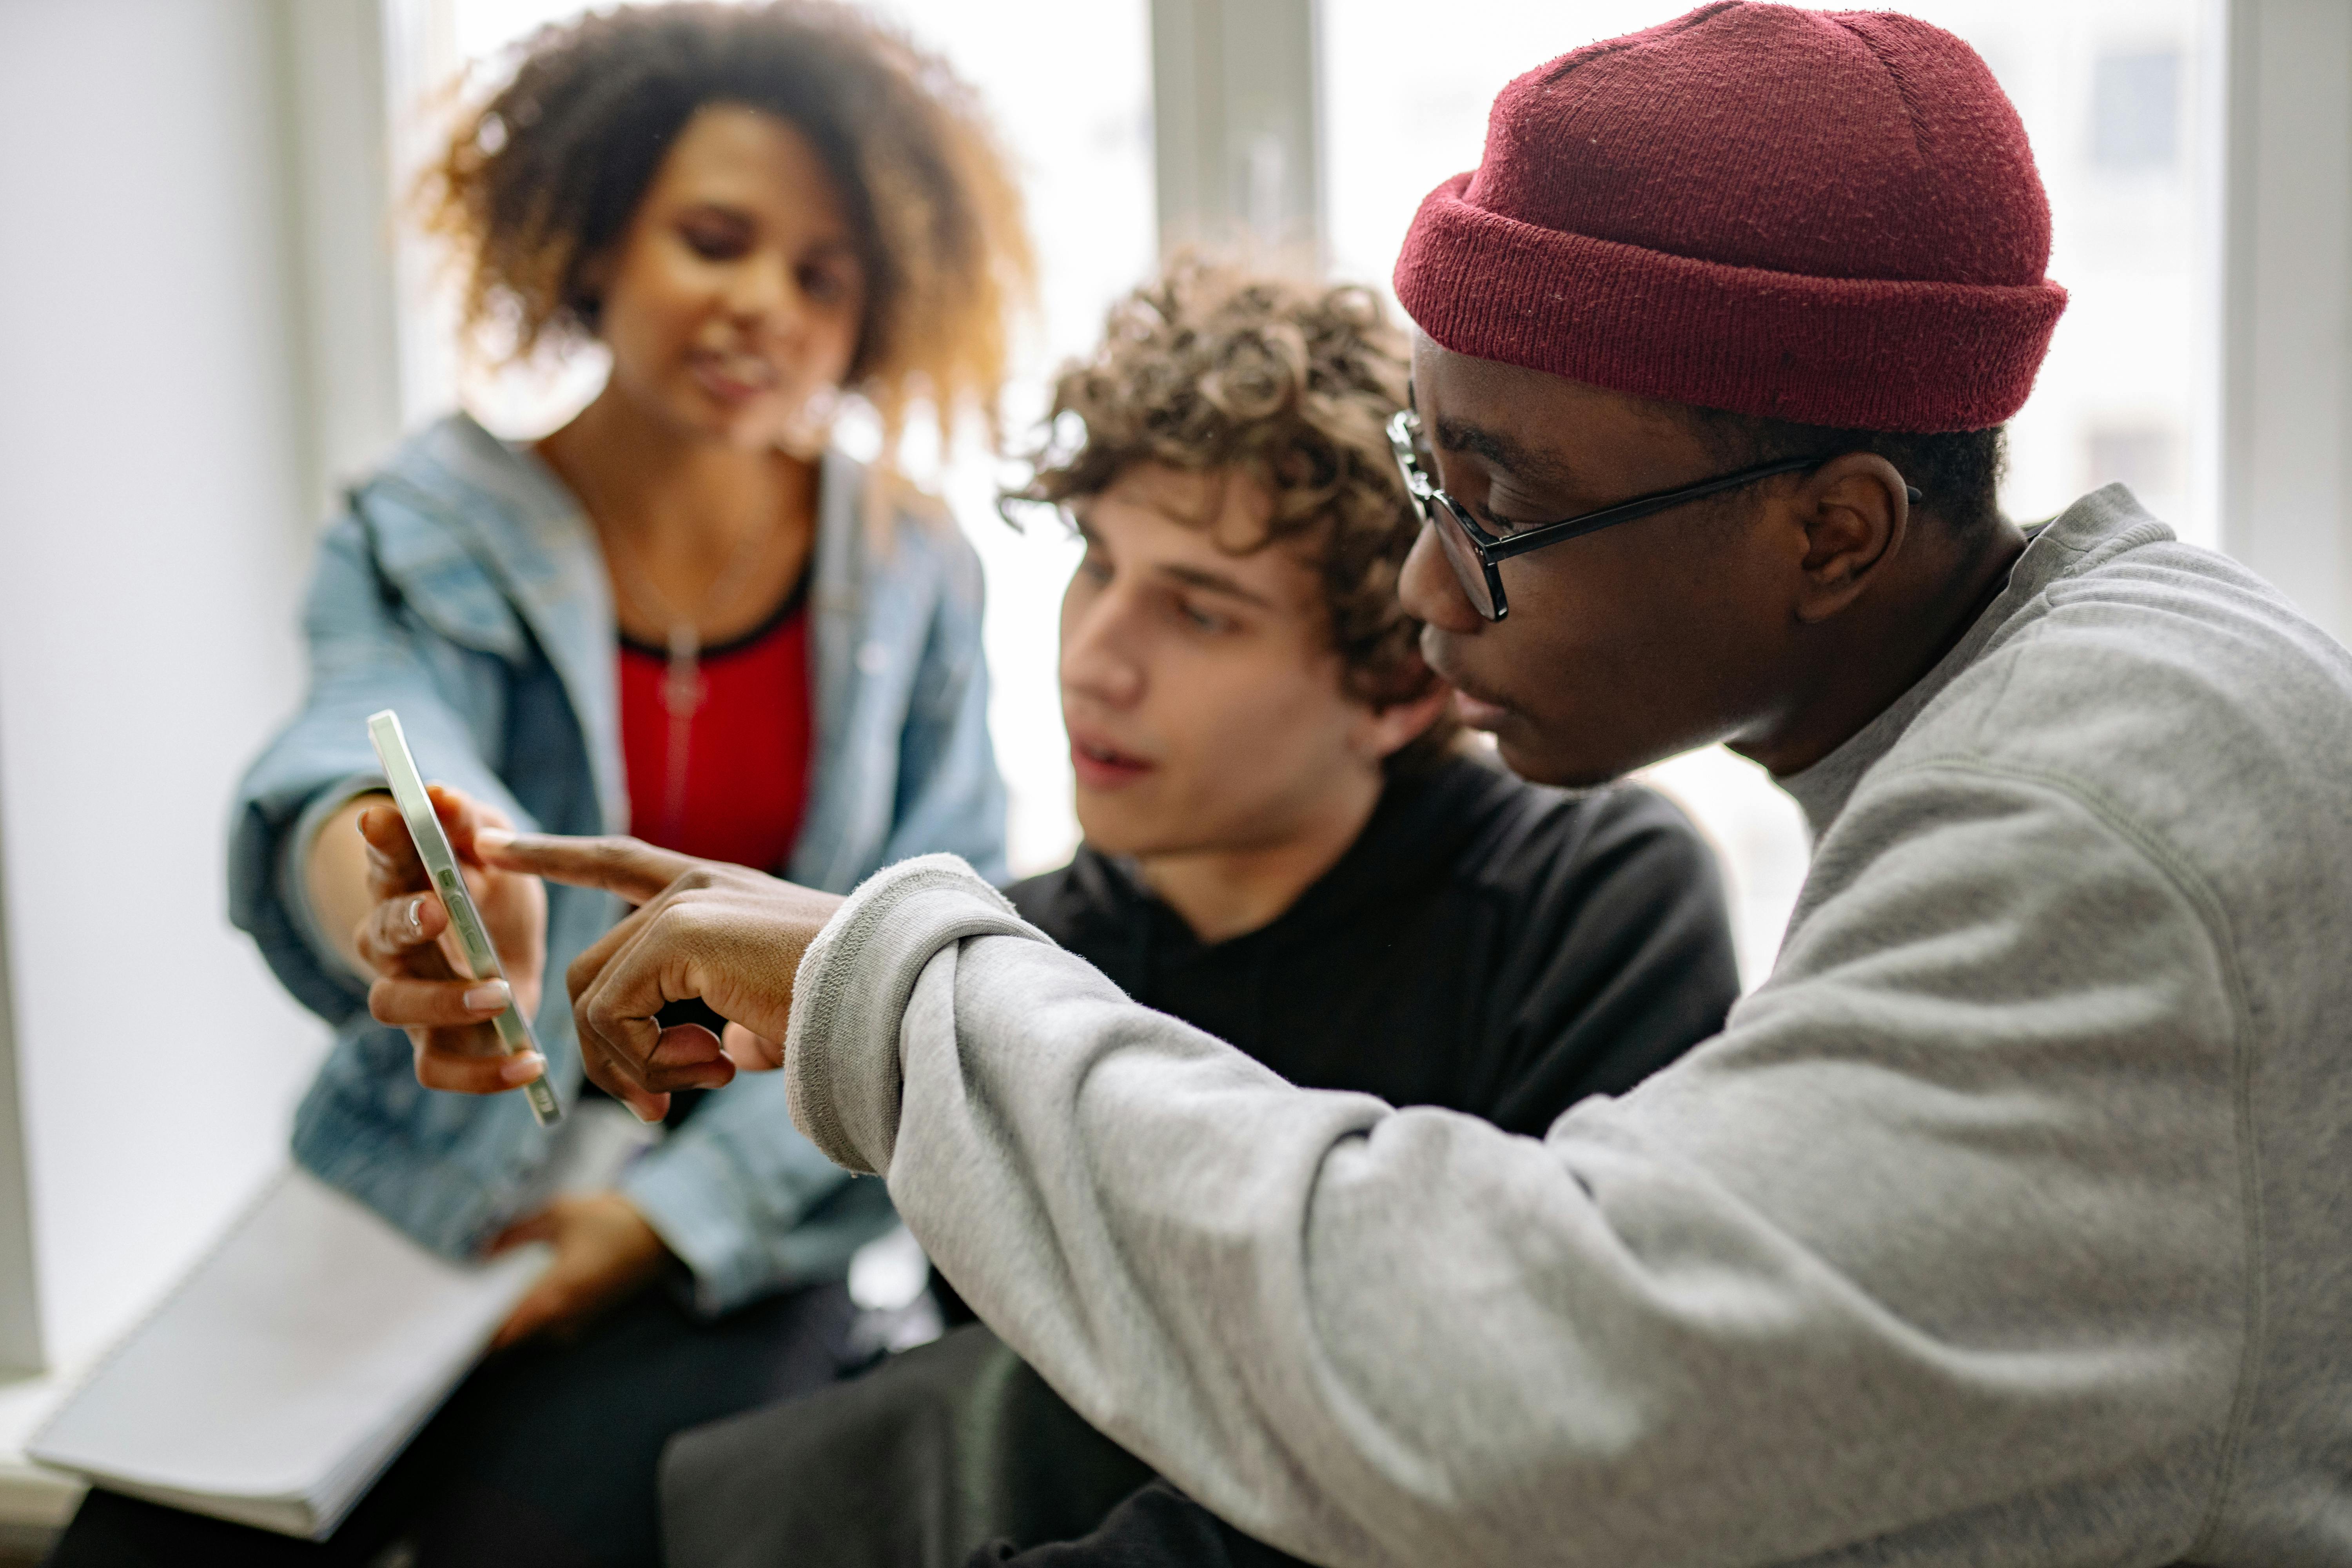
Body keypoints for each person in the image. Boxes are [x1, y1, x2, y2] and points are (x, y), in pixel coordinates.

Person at [495, 4, 2352, 1565]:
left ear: (1838, 532)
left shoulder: (2098, 812)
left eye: (1504, 511)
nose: (1421, 586)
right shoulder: (2045, 719)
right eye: (1423, 470)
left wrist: (885, 990)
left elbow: (1515, 1402)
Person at [47, 6, 1030, 1567]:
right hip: (415, 1200)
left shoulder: (918, 576)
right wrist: (407, 872)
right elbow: (345, 749)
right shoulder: (421, 518)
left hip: (740, 1224)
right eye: (716, 239)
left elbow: (927, 938)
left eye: (823, 274)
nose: (764, 303)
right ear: (592, 236)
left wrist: (660, 1226)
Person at [650, 263, 1742, 1567]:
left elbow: (1554, 1443)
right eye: (1096, 566)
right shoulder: (1009, 954)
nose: (1094, 658)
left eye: (1198, 610)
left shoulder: (1593, 901)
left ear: (1399, 683)